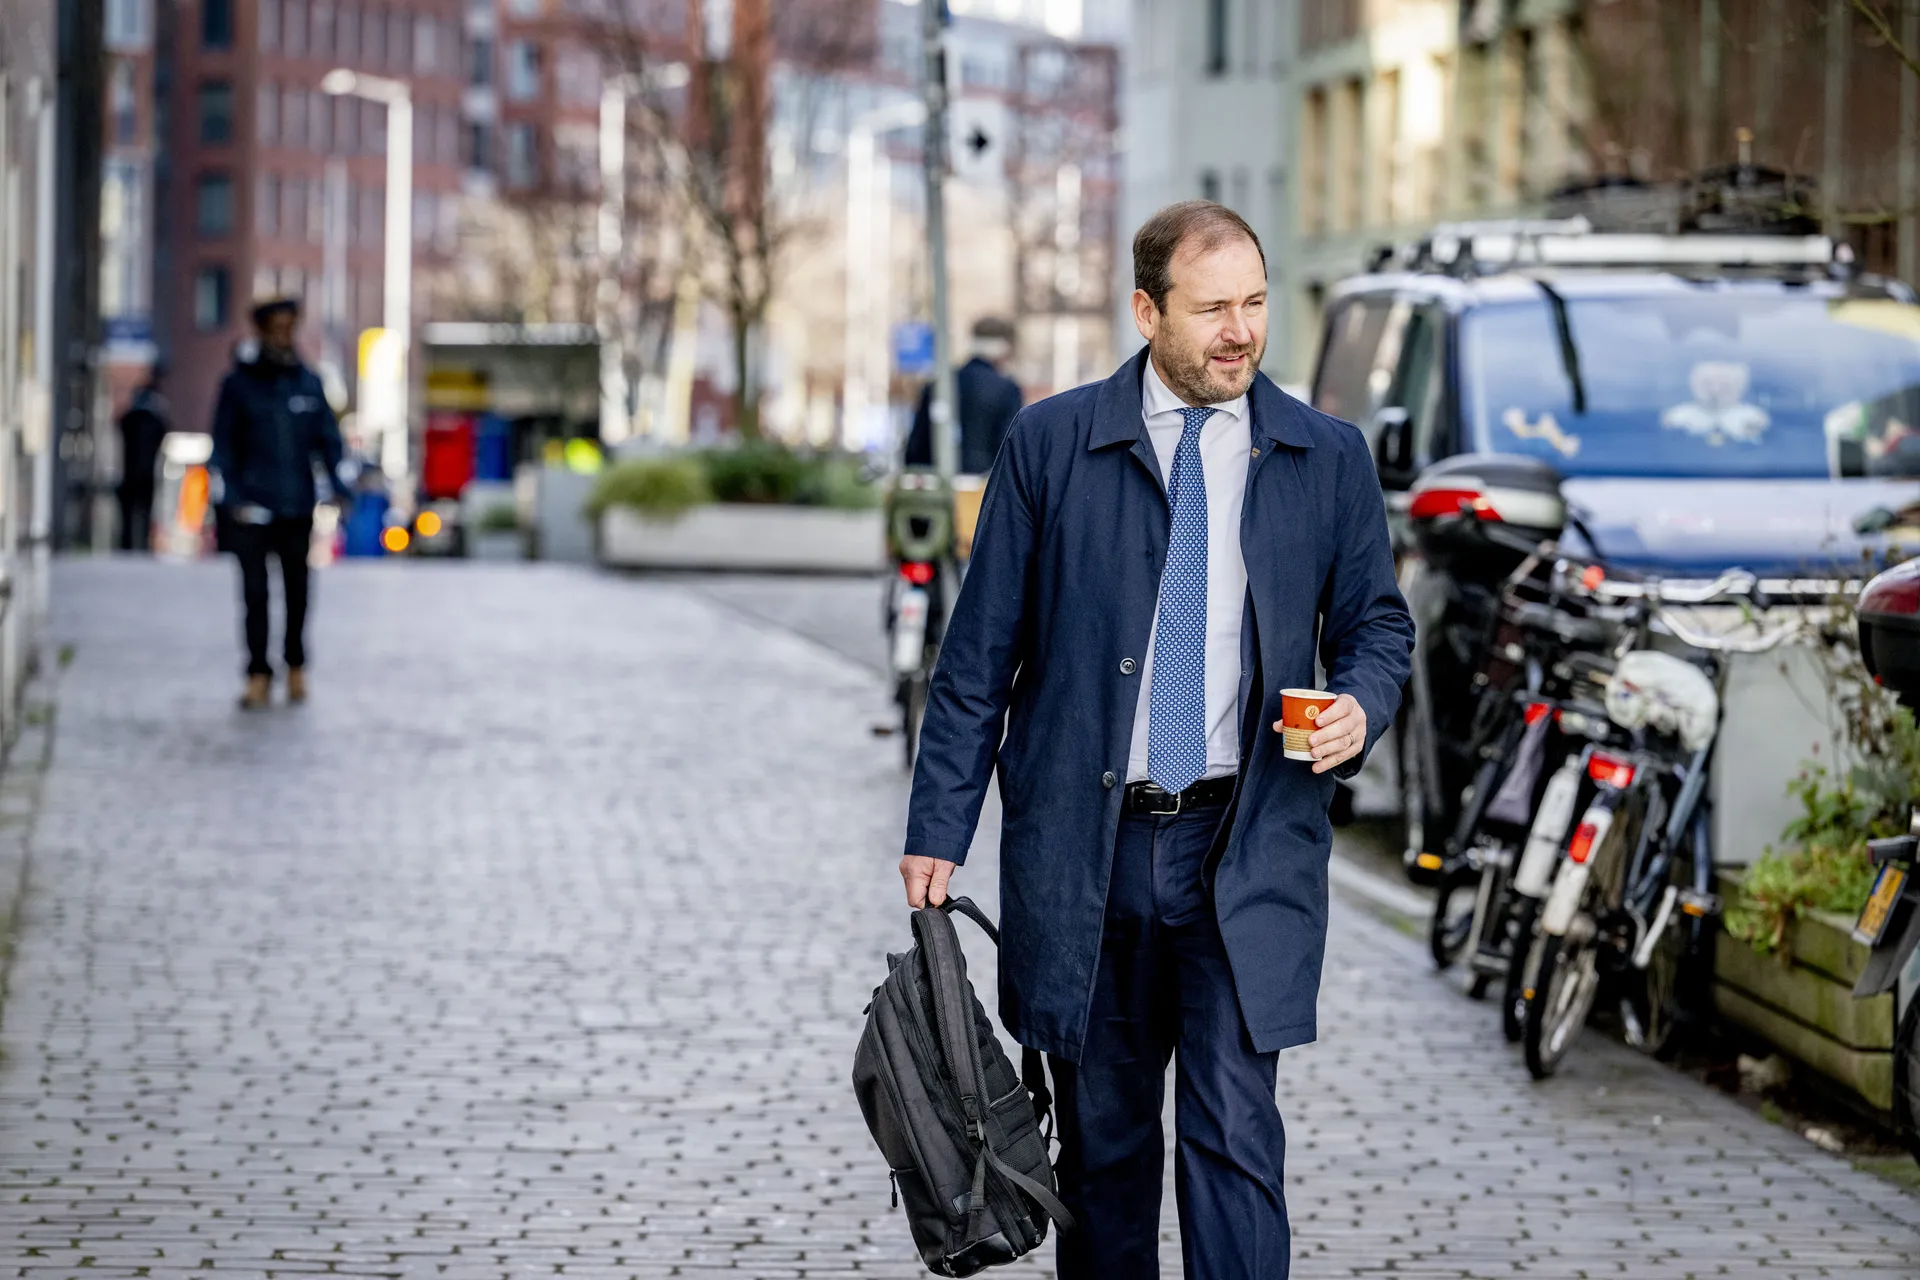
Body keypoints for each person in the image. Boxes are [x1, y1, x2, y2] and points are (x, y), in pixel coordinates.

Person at [898, 201, 1415, 1278]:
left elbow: (1378, 624)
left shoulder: (1326, 456)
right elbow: (978, 654)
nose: (1242, 331)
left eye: (1256, 303)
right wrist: (938, 827)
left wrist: (1361, 701)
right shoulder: (1052, 444)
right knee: (1105, 1158)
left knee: (1237, 1141)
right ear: (1147, 311)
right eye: (1213, 307)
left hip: (1249, 841)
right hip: (1092, 852)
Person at [209, 297, 348, 710]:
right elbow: (223, 446)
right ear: (262, 330)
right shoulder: (238, 386)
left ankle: (295, 666)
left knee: (298, 591)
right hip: (252, 507)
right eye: (276, 327)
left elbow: (328, 440)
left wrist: (339, 483)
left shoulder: (308, 382)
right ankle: (256, 672)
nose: (284, 335)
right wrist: (233, 495)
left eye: (290, 327)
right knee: (254, 594)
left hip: (296, 505)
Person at [902, 315, 1024, 474]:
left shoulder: (939, 384)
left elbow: (916, 447)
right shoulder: (1007, 389)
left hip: (940, 482)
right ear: (1005, 349)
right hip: (984, 486)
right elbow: (1009, 447)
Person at [116, 365, 170, 552]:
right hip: (147, 472)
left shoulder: (130, 419)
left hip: (130, 471)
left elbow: (119, 425)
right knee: (145, 509)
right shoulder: (156, 421)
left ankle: (127, 544)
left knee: (128, 512)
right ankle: (143, 544)